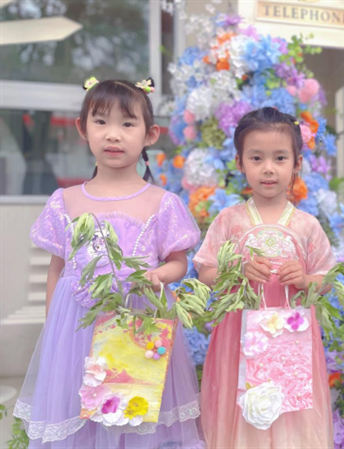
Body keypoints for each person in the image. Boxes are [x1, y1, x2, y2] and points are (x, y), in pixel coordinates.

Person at [14, 77, 204, 448]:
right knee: (78, 412)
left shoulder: (162, 202)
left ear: (150, 134)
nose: (113, 134)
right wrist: (53, 330)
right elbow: (58, 269)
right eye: (101, 122)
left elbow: (179, 262)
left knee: (132, 411)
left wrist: (158, 274)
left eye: (127, 123)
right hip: (76, 329)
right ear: (83, 129)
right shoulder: (65, 200)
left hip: (138, 323)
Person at [194, 107, 335, 448]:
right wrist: (235, 271)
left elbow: (327, 278)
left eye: (280, 158)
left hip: (291, 339)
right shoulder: (229, 220)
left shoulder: (307, 225)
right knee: (241, 402)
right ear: (240, 163)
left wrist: (304, 280)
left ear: (297, 164)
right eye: (256, 158)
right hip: (239, 338)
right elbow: (205, 270)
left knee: (290, 411)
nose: (268, 168)